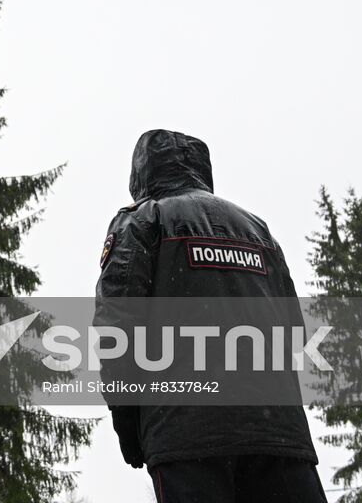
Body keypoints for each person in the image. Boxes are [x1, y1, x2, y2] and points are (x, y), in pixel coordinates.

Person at [94, 129, 327, 502]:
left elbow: (117, 328)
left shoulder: (143, 220)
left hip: (187, 434)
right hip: (280, 436)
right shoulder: (257, 228)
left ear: (141, 172)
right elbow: (293, 330)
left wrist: (127, 423)